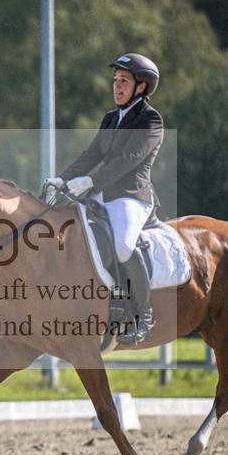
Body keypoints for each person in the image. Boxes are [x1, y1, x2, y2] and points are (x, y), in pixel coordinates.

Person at [45, 53, 163, 345]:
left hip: (131, 197)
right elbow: (91, 155)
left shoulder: (151, 120)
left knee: (123, 245)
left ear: (141, 87)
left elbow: (129, 159)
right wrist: (62, 178)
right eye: (115, 80)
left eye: (124, 80)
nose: (116, 85)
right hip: (101, 194)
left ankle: (144, 318)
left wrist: (90, 181)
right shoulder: (111, 118)